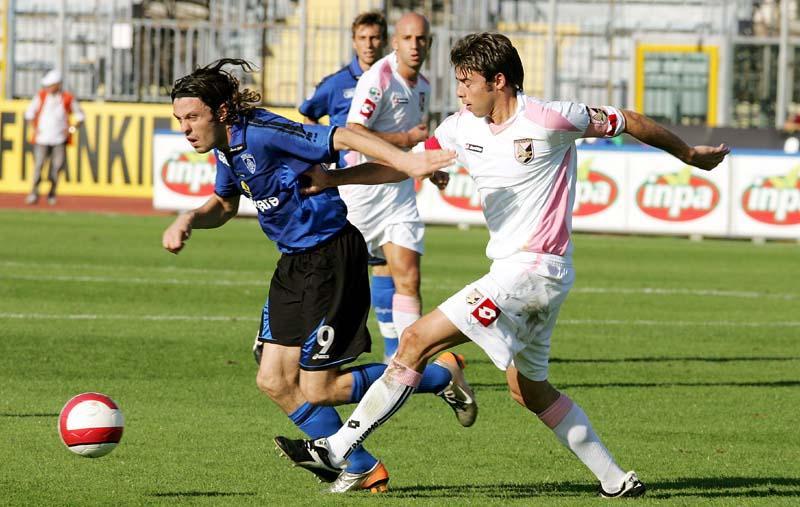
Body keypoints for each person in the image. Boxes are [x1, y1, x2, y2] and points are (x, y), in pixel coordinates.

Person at [275, 33, 730, 498]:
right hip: (533, 279)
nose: (460, 91)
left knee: (414, 340)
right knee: (529, 392)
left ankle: (337, 449)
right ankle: (616, 480)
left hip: (529, 273)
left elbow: (628, 120)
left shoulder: (552, 118)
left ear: (498, 80)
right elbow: (409, 164)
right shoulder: (460, 127)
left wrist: (690, 155)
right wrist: (335, 177)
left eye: (467, 82)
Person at [162, 58, 475, 494]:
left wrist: (408, 162)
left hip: (331, 257)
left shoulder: (264, 131)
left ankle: (441, 375)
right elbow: (225, 204)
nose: (186, 128)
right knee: (272, 379)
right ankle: (361, 463)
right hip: (293, 264)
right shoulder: (223, 148)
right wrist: (190, 218)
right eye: (179, 119)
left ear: (220, 112)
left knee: (319, 386)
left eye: (192, 117)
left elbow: (342, 134)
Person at [297, 11, 401, 363]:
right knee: (334, 263)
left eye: (375, 38)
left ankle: (393, 352)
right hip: (347, 185)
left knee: (383, 261)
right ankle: (290, 330)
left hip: (383, 182)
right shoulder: (336, 83)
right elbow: (308, 114)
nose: (370, 44)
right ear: (354, 41)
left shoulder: (394, 79)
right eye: (363, 38)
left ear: (383, 40)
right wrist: (319, 155)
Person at [342, 12, 433, 363]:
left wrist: (424, 164)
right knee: (337, 278)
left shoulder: (423, 85)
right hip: (362, 193)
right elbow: (353, 133)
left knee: (408, 277)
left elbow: (410, 146)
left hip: (398, 193)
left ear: (429, 42)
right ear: (395, 42)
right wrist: (405, 140)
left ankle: (403, 361)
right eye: (407, 38)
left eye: (421, 39)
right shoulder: (378, 78)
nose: (415, 45)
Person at [24, 69, 85, 206]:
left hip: (59, 140)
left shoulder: (68, 98)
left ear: (58, 84)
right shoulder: (40, 96)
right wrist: (35, 128)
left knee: (57, 167)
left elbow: (80, 117)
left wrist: (70, 130)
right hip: (41, 139)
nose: (48, 88)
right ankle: (34, 192)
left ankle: (52, 193)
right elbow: (29, 115)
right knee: (39, 166)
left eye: (50, 85)